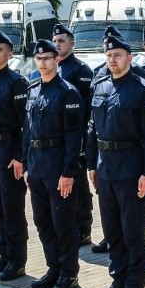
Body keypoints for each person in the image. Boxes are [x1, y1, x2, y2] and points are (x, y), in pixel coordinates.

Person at [87, 35, 145, 288]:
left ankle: (134, 285)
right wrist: (91, 165)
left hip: (131, 169)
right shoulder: (100, 86)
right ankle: (117, 280)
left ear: (129, 58)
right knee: (112, 230)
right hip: (105, 168)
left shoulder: (142, 89)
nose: (113, 60)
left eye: (118, 55)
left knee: (132, 231)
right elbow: (92, 129)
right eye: (109, 56)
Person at [22, 39, 83, 288]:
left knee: (63, 223)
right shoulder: (33, 89)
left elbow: (73, 135)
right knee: (43, 222)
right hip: (37, 167)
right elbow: (28, 131)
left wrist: (68, 171)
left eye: (47, 58)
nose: (43, 63)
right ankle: (53, 268)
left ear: (57, 60)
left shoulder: (68, 92)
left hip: (58, 168)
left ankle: (69, 273)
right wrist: (26, 165)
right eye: (39, 59)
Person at [0, 30, 30, 281]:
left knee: (13, 210)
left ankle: (17, 260)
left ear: (10, 54)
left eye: (0, 50)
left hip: (11, 150)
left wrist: (21, 155)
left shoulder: (16, 82)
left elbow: (26, 123)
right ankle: (4, 254)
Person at [52, 23, 95, 248]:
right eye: (56, 41)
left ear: (72, 44)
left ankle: (83, 228)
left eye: (62, 41)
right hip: (57, 138)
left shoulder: (81, 70)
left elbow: (87, 108)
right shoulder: (52, 67)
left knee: (78, 184)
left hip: (76, 135)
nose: (58, 45)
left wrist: (82, 137)